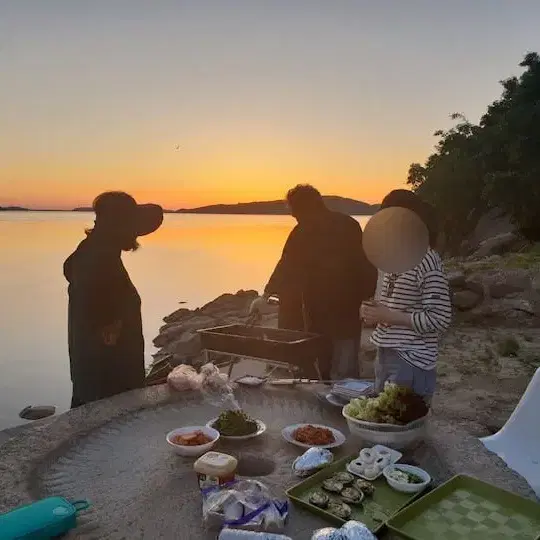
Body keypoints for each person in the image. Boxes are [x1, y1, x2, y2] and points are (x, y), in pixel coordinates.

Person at [251, 184, 377, 380]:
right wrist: (368, 297)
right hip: (339, 311)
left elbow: (286, 264)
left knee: (328, 365)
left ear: (303, 208)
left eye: (294, 212)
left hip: (327, 311)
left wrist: (267, 293)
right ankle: (344, 403)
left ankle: (331, 399)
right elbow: (366, 264)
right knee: (342, 367)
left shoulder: (305, 230)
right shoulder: (348, 224)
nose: (294, 217)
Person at [64, 191, 163, 408]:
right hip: (107, 381)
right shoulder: (100, 258)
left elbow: (71, 272)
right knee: (105, 429)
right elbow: (105, 331)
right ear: (122, 226)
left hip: (88, 373)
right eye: (132, 224)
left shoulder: (92, 249)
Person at [361, 189, 451, 403]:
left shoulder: (427, 259)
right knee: (381, 424)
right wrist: (370, 311)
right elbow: (390, 304)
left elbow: (441, 318)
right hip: (384, 353)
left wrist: (390, 316)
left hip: (412, 360)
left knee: (400, 427)